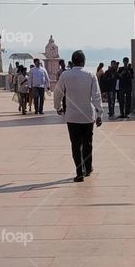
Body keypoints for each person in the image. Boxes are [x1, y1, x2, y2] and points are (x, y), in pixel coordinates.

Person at [53, 49, 103, 182]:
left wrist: (57, 106)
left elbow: (57, 92)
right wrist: (99, 113)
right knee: (88, 143)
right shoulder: (90, 75)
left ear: (73, 61)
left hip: (72, 116)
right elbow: (96, 95)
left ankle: (79, 171)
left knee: (75, 144)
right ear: (84, 61)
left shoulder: (65, 75)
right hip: (87, 115)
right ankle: (88, 168)